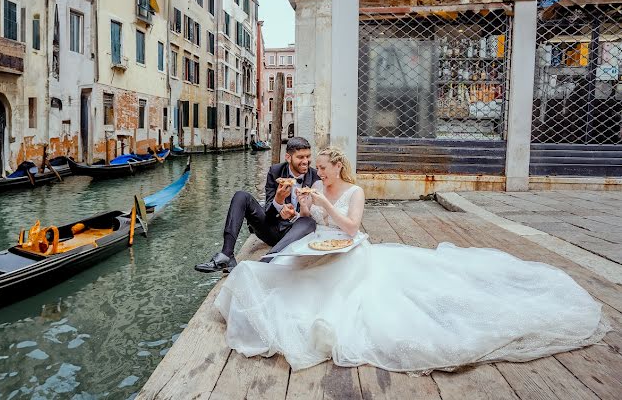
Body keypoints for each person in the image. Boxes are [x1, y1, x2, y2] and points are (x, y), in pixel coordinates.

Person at [215, 146, 609, 373]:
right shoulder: (315, 187)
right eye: (314, 167)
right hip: (316, 246)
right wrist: (293, 203)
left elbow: (350, 228)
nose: (315, 172)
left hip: (347, 249)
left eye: (321, 167)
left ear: (338, 167)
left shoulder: (355, 190)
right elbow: (302, 218)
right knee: (276, 276)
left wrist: (323, 205)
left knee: (353, 301)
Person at [195, 137, 320, 273]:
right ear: (288, 157)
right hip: (272, 230)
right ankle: (227, 255)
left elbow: (317, 215)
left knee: (308, 222)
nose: (306, 161)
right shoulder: (275, 172)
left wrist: (295, 215)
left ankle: (266, 261)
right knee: (241, 196)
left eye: (308, 156)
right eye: (300, 157)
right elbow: (270, 214)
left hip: (296, 233)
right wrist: (278, 201)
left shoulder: (316, 177)